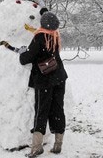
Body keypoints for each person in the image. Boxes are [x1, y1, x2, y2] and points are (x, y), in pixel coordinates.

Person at [19, 12, 68, 157]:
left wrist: (23, 52)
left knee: (42, 110)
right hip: (60, 77)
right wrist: (44, 11)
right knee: (58, 109)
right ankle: (58, 144)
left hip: (45, 79)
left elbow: (25, 59)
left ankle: (36, 147)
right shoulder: (55, 35)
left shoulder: (40, 37)